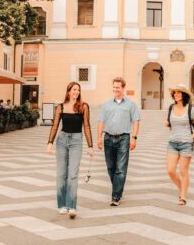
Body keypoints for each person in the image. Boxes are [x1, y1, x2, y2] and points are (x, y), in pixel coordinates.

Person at [47, 82, 93, 218]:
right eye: (74, 90)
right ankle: (62, 205)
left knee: (73, 174)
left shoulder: (83, 106)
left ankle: (71, 206)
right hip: (61, 140)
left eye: (78, 90)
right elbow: (55, 126)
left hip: (76, 141)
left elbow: (87, 126)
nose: (76, 92)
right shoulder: (60, 107)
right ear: (68, 91)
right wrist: (49, 142)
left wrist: (90, 146)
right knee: (61, 174)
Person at [95, 76, 141, 206]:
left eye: (118, 87)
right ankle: (118, 189)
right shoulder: (106, 104)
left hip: (123, 138)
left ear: (123, 88)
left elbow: (136, 121)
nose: (115, 89)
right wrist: (99, 137)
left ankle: (115, 196)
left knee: (121, 168)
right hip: (108, 138)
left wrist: (134, 138)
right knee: (111, 167)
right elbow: (101, 121)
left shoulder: (131, 104)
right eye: (114, 87)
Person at [165, 85, 194, 205]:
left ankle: (183, 197)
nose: (176, 94)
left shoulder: (190, 109)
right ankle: (182, 188)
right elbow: (168, 122)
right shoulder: (171, 107)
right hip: (172, 143)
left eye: (179, 93)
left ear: (183, 95)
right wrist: (167, 123)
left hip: (186, 144)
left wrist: (192, 137)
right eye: (174, 93)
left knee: (183, 171)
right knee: (170, 170)